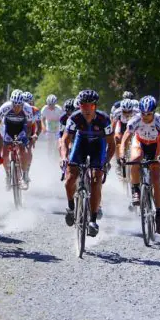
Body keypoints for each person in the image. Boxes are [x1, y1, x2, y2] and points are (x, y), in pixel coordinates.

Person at [60, 90, 115, 237]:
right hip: (81, 143)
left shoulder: (104, 120)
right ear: (80, 106)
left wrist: (106, 162)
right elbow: (65, 140)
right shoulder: (74, 118)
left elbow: (112, 144)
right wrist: (64, 157)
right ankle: (71, 208)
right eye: (83, 106)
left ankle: (93, 220)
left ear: (95, 106)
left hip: (98, 145)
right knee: (70, 179)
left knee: (97, 179)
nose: (87, 109)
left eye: (90, 106)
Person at [120, 95, 160, 234]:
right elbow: (124, 140)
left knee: (156, 180)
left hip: (155, 145)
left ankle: (159, 216)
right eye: (143, 113)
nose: (145, 116)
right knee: (135, 159)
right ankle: (136, 190)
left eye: (148, 114)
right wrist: (121, 155)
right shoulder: (135, 119)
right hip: (140, 143)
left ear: (154, 112)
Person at [0, 89, 35, 187]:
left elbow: (29, 126)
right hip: (8, 129)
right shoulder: (5, 107)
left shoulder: (28, 108)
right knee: (4, 155)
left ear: (23, 104)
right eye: (15, 105)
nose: (17, 108)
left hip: (21, 128)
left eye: (19, 105)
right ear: (11, 103)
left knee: (22, 149)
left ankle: (24, 174)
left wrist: (26, 138)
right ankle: (8, 175)